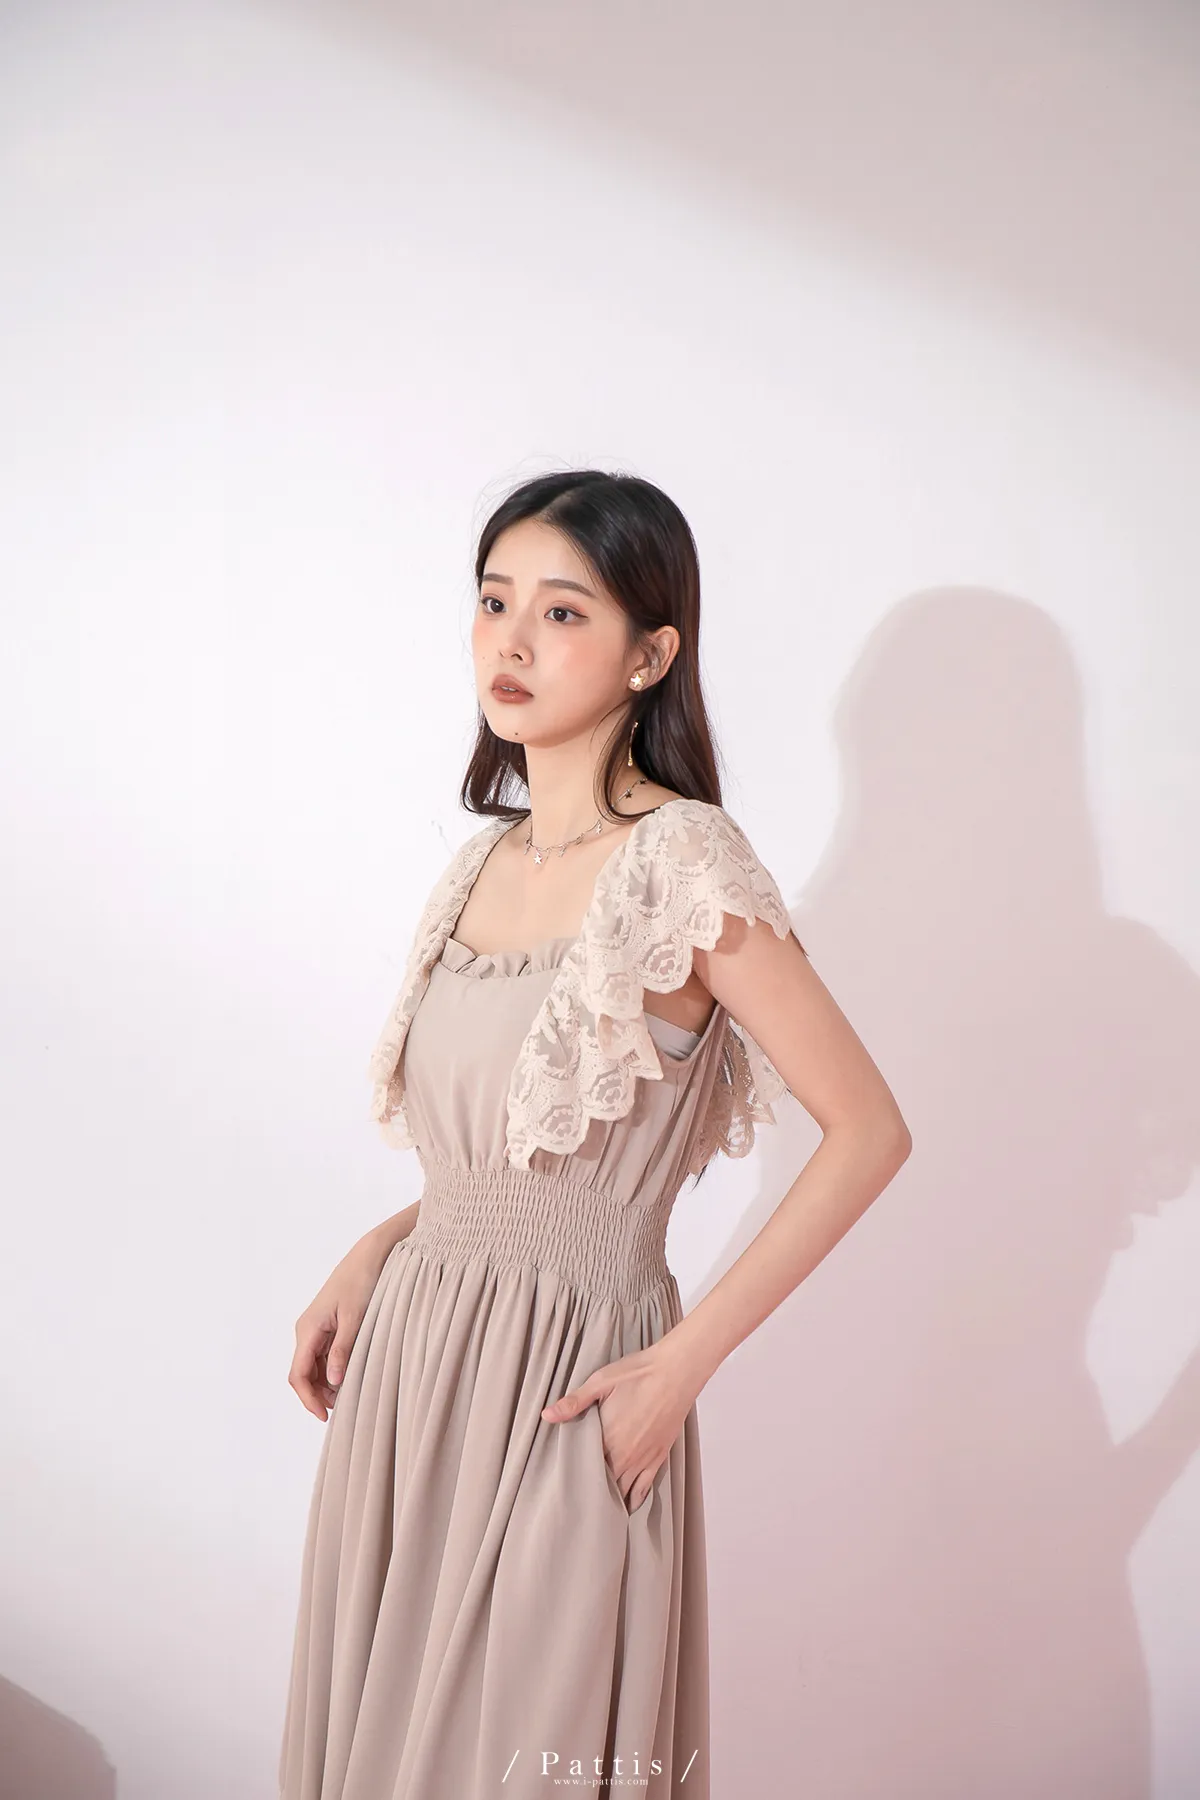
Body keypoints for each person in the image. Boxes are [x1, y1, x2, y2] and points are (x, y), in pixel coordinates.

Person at [277, 469, 912, 1799]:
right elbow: (515, 1155)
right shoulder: (478, 865)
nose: (510, 640)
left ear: (650, 655)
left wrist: (682, 1367)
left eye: (562, 612)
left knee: (521, 1753)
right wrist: (381, 1245)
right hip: (413, 1368)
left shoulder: (684, 860)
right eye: (493, 600)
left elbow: (868, 1130)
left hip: (571, 1378)